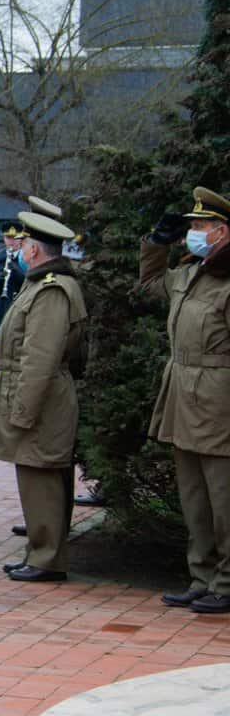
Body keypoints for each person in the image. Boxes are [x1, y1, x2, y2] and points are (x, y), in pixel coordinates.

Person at [0, 211, 87, 583]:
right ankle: (40, 553)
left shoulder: (52, 289)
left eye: (22, 244)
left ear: (34, 250)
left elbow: (40, 357)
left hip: (44, 398)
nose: (18, 249)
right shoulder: (41, 284)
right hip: (43, 395)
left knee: (43, 477)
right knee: (37, 474)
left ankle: (47, 558)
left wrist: (23, 410)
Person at [140, 188, 230, 613]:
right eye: (191, 226)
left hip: (219, 403)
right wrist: (157, 244)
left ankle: (227, 584)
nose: (192, 233)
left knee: (224, 500)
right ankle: (203, 577)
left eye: (199, 227)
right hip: (182, 396)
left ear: (222, 232)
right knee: (195, 498)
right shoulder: (190, 273)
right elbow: (151, 283)